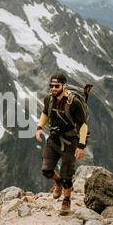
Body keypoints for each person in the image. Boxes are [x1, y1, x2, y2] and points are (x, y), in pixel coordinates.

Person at [35, 73, 88, 214]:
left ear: (64, 85)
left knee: (67, 175)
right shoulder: (49, 99)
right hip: (53, 139)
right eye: (51, 86)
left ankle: (67, 199)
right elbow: (45, 113)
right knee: (46, 170)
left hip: (70, 141)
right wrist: (40, 128)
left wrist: (81, 146)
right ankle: (58, 182)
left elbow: (83, 125)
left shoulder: (74, 102)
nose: (53, 88)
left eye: (56, 86)